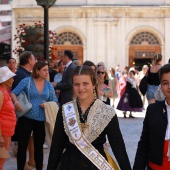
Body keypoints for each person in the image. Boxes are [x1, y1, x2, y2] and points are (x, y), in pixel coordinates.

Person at [47, 65, 131, 170]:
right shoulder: (65, 110)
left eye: (85, 83)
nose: (81, 88)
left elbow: (118, 147)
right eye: (77, 84)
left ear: (94, 84)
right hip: (68, 165)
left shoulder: (107, 112)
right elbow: (56, 146)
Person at [11, 61, 58, 170]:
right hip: (26, 118)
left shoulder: (48, 85)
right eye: (44, 70)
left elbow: (54, 101)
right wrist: (16, 103)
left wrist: (47, 105)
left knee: (39, 148)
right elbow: (13, 92)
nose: (47, 72)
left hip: (41, 120)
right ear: (37, 71)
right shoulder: (27, 81)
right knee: (22, 147)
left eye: (47, 70)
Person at [133, 63, 170, 170]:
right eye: (165, 83)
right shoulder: (153, 110)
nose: (169, 87)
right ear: (161, 86)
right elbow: (144, 144)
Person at [11, 51, 36, 170]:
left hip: (25, 112)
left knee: (29, 139)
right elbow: (15, 93)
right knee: (24, 141)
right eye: (34, 59)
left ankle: (30, 161)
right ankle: (23, 164)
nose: (35, 61)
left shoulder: (24, 73)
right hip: (22, 112)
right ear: (29, 60)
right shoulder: (22, 75)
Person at [0, 66, 16, 170]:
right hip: (3, 132)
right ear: (5, 80)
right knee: (1, 159)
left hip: (7, 131)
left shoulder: (6, 92)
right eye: (11, 78)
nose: (13, 80)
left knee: (2, 159)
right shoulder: (1, 93)